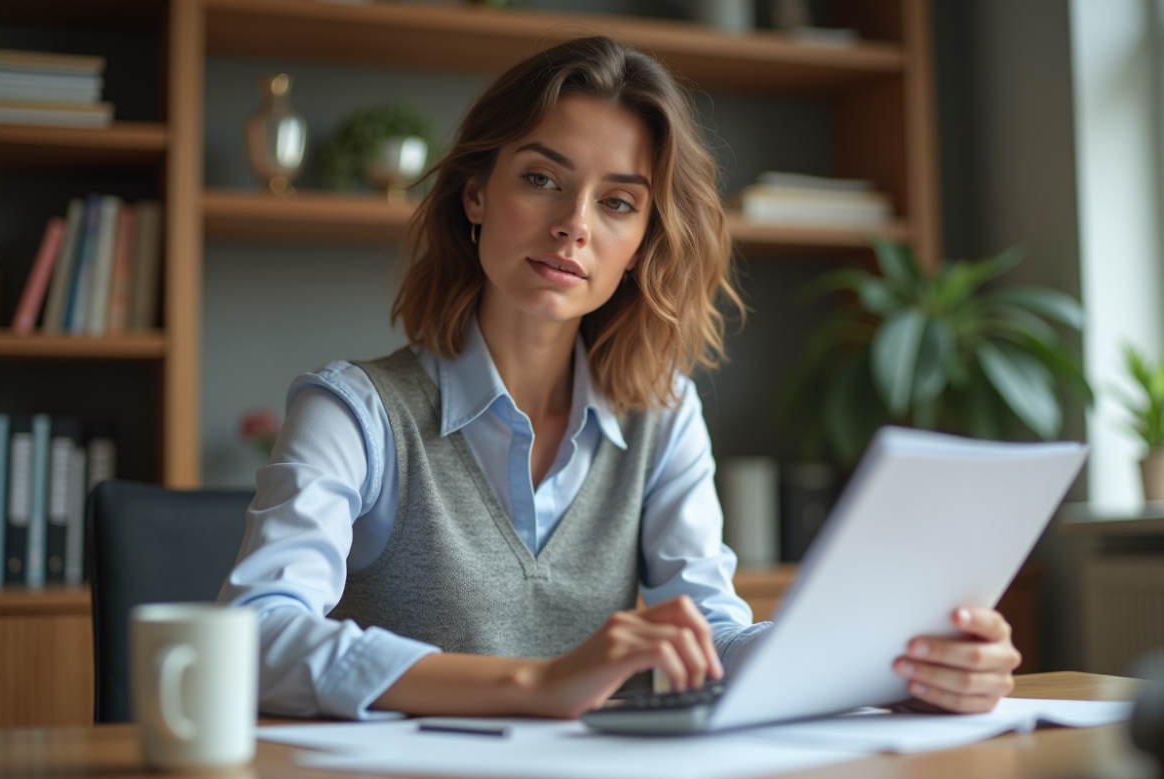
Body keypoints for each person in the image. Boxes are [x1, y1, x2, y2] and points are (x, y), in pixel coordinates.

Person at [219, 35, 1021, 721]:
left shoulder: (661, 414)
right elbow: (253, 632)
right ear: (475, 194)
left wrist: (902, 663)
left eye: (619, 203)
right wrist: (537, 683)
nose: (573, 223)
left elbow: (713, 635)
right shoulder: (354, 412)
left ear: (641, 241)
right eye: (541, 179)